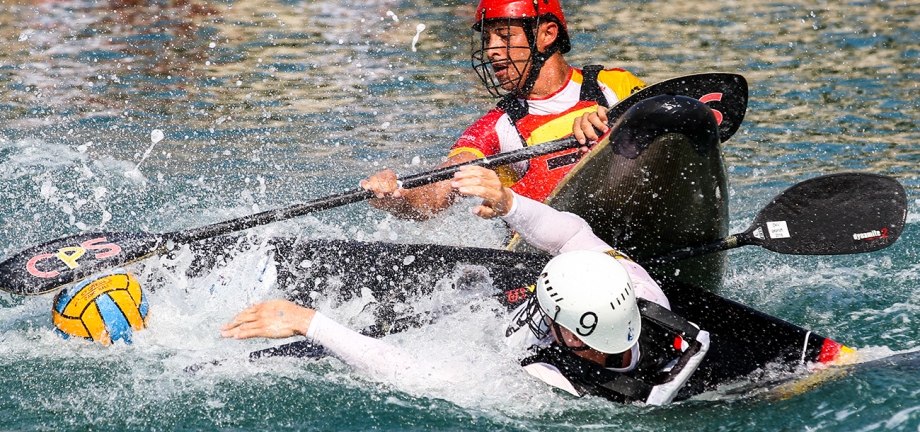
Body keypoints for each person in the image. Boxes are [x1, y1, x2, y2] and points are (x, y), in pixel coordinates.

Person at [222, 166, 708, 405]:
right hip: (505, 292)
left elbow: (420, 373)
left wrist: (311, 323)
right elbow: (574, 235)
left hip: (484, 333)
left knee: (362, 337)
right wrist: (510, 203)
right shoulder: (637, 288)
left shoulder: (542, 381)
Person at [359, 0, 646, 220]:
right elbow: (436, 194)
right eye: (487, 40)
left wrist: (620, 123)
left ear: (547, 34)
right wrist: (397, 198)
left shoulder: (614, 87)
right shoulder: (496, 127)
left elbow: (683, 118)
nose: (491, 51)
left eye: (504, 37)